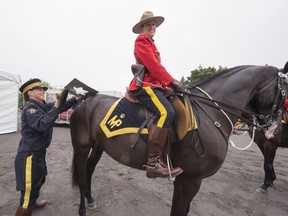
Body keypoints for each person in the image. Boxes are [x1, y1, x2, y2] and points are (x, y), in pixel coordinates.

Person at [128, 11, 183, 178]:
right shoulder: (142, 40)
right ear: (142, 28)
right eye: (148, 24)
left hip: (155, 85)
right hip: (145, 86)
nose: (152, 27)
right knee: (166, 112)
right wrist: (171, 80)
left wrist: (167, 85)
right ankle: (153, 164)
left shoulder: (151, 43)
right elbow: (152, 65)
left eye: (154, 24)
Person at [14, 78, 79, 216]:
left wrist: (75, 99)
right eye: (39, 89)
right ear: (30, 93)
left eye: (43, 89)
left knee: (39, 180)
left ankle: (33, 203)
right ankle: (28, 205)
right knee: (28, 192)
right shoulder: (30, 108)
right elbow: (43, 125)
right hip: (29, 155)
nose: (43, 91)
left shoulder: (41, 105)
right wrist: (55, 106)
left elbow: (60, 107)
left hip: (38, 152)